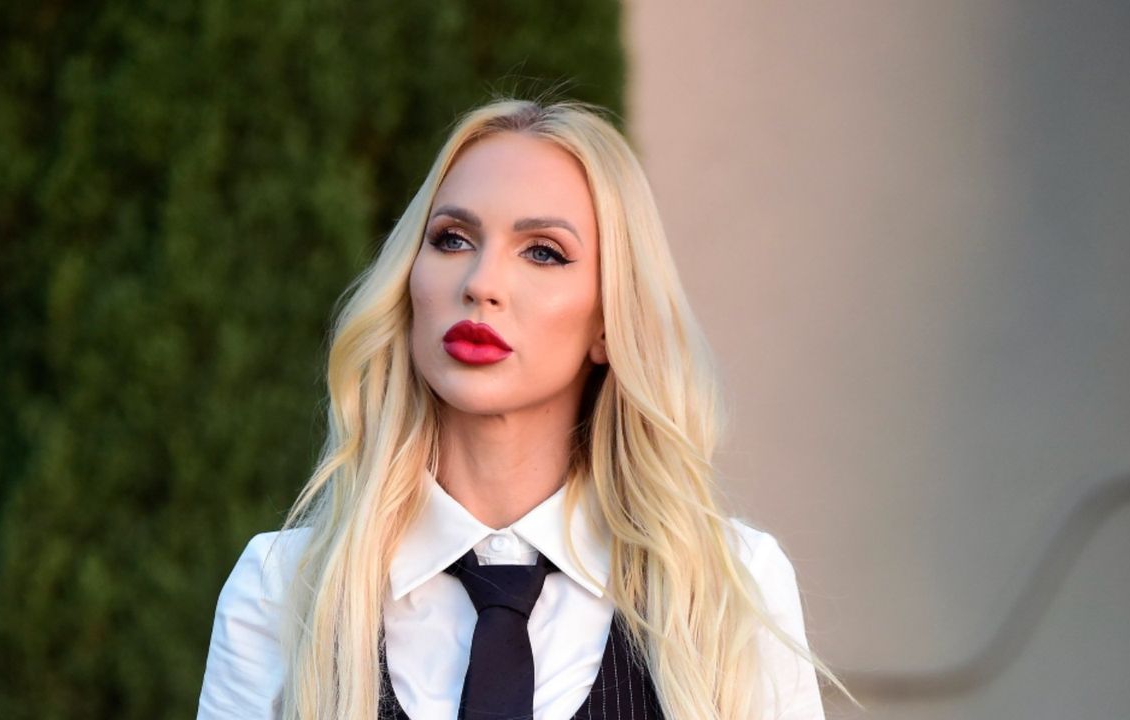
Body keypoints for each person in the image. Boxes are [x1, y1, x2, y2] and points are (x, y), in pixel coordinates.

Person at [197, 98, 834, 720]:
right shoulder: (282, 593)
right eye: (452, 239)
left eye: (543, 252)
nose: (481, 282)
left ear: (610, 323)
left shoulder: (728, 593)